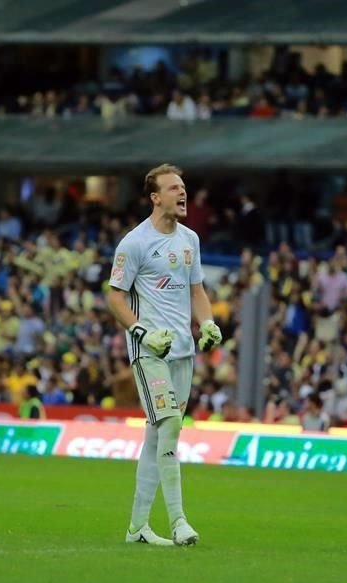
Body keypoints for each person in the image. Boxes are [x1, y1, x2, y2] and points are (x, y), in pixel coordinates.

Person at [106, 163, 222, 547]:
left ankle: (137, 528)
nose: (182, 193)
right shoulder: (134, 243)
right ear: (155, 198)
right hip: (149, 351)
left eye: (183, 187)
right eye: (173, 188)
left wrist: (207, 323)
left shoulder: (190, 239)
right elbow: (114, 296)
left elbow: (197, 291)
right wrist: (140, 331)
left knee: (157, 436)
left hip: (183, 353)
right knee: (169, 424)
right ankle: (179, 522)